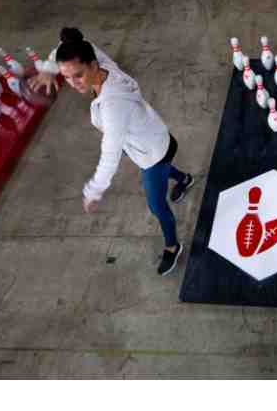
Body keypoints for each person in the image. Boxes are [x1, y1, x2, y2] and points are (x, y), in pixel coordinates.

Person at [29, 28, 194, 275]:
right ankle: (184, 178)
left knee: (157, 206)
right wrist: (48, 69)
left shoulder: (113, 105)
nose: (73, 84)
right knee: (159, 171)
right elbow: (70, 47)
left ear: (93, 65)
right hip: (149, 138)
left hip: (152, 152)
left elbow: (110, 154)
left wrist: (94, 190)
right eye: (66, 77)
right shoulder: (98, 61)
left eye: (78, 76)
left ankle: (173, 246)